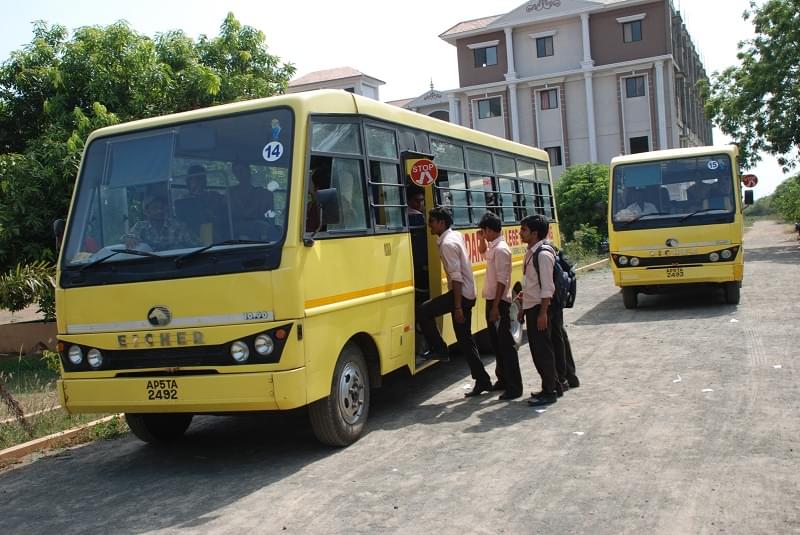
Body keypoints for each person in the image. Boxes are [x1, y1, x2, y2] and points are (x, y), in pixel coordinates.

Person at [418, 207, 492, 397]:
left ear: (441, 223)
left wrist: (457, 306)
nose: (429, 225)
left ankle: (440, 349)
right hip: (465, 292)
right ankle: (482, 380)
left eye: (432, 221)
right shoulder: (454, 236)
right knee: (465, 340)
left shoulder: (447, 244)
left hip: (462, 294)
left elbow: (456, 277)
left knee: (424, 311)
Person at [477, 212, 522, 400]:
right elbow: (483, 253)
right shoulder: (494, 247)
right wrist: (481, 240)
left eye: (484, 231)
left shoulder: (502, 249)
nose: (483, 234)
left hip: (500, 302)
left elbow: (503, 281)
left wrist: (495, 307)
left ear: (489, 229)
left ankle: (514, 387)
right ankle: (503, 380)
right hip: (493, 301)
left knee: (506, 346)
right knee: (497, 344)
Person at [518, 214, 559, 407]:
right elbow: (531, 284)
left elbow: (547, 288)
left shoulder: (542, 254)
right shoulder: (531, 252)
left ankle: (550, 391)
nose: (520, 233)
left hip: (539, 309)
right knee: (539, 350)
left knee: (542, 351)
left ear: (534, 233)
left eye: (524, 230)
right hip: (532, 307)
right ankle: (551, 386)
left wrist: (542, 313)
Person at [123, 195, 195, 251]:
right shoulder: (140, 226)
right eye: (155, 208)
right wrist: (129, 238)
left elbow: (195, 246)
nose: (160, 211)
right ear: (146, 212)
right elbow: (128, 237)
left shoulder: (178, 226)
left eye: (162, 208)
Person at [175, 165, 227, 241]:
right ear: (189, 181)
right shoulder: (181, 202)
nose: (198, 182)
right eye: (195, 179)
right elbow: (181, 225)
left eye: (201, 178)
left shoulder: (215, 196)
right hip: (191, 239)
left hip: (216, 235)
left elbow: (224, 215)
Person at [229, 162, 274, 236]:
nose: (240, 174)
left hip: (259, 232)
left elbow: (270, 218)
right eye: (236, 172)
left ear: (248, 171)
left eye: (241, 170)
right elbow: (229, 214)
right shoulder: (231, 192)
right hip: (235, 232)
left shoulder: (263, 193)